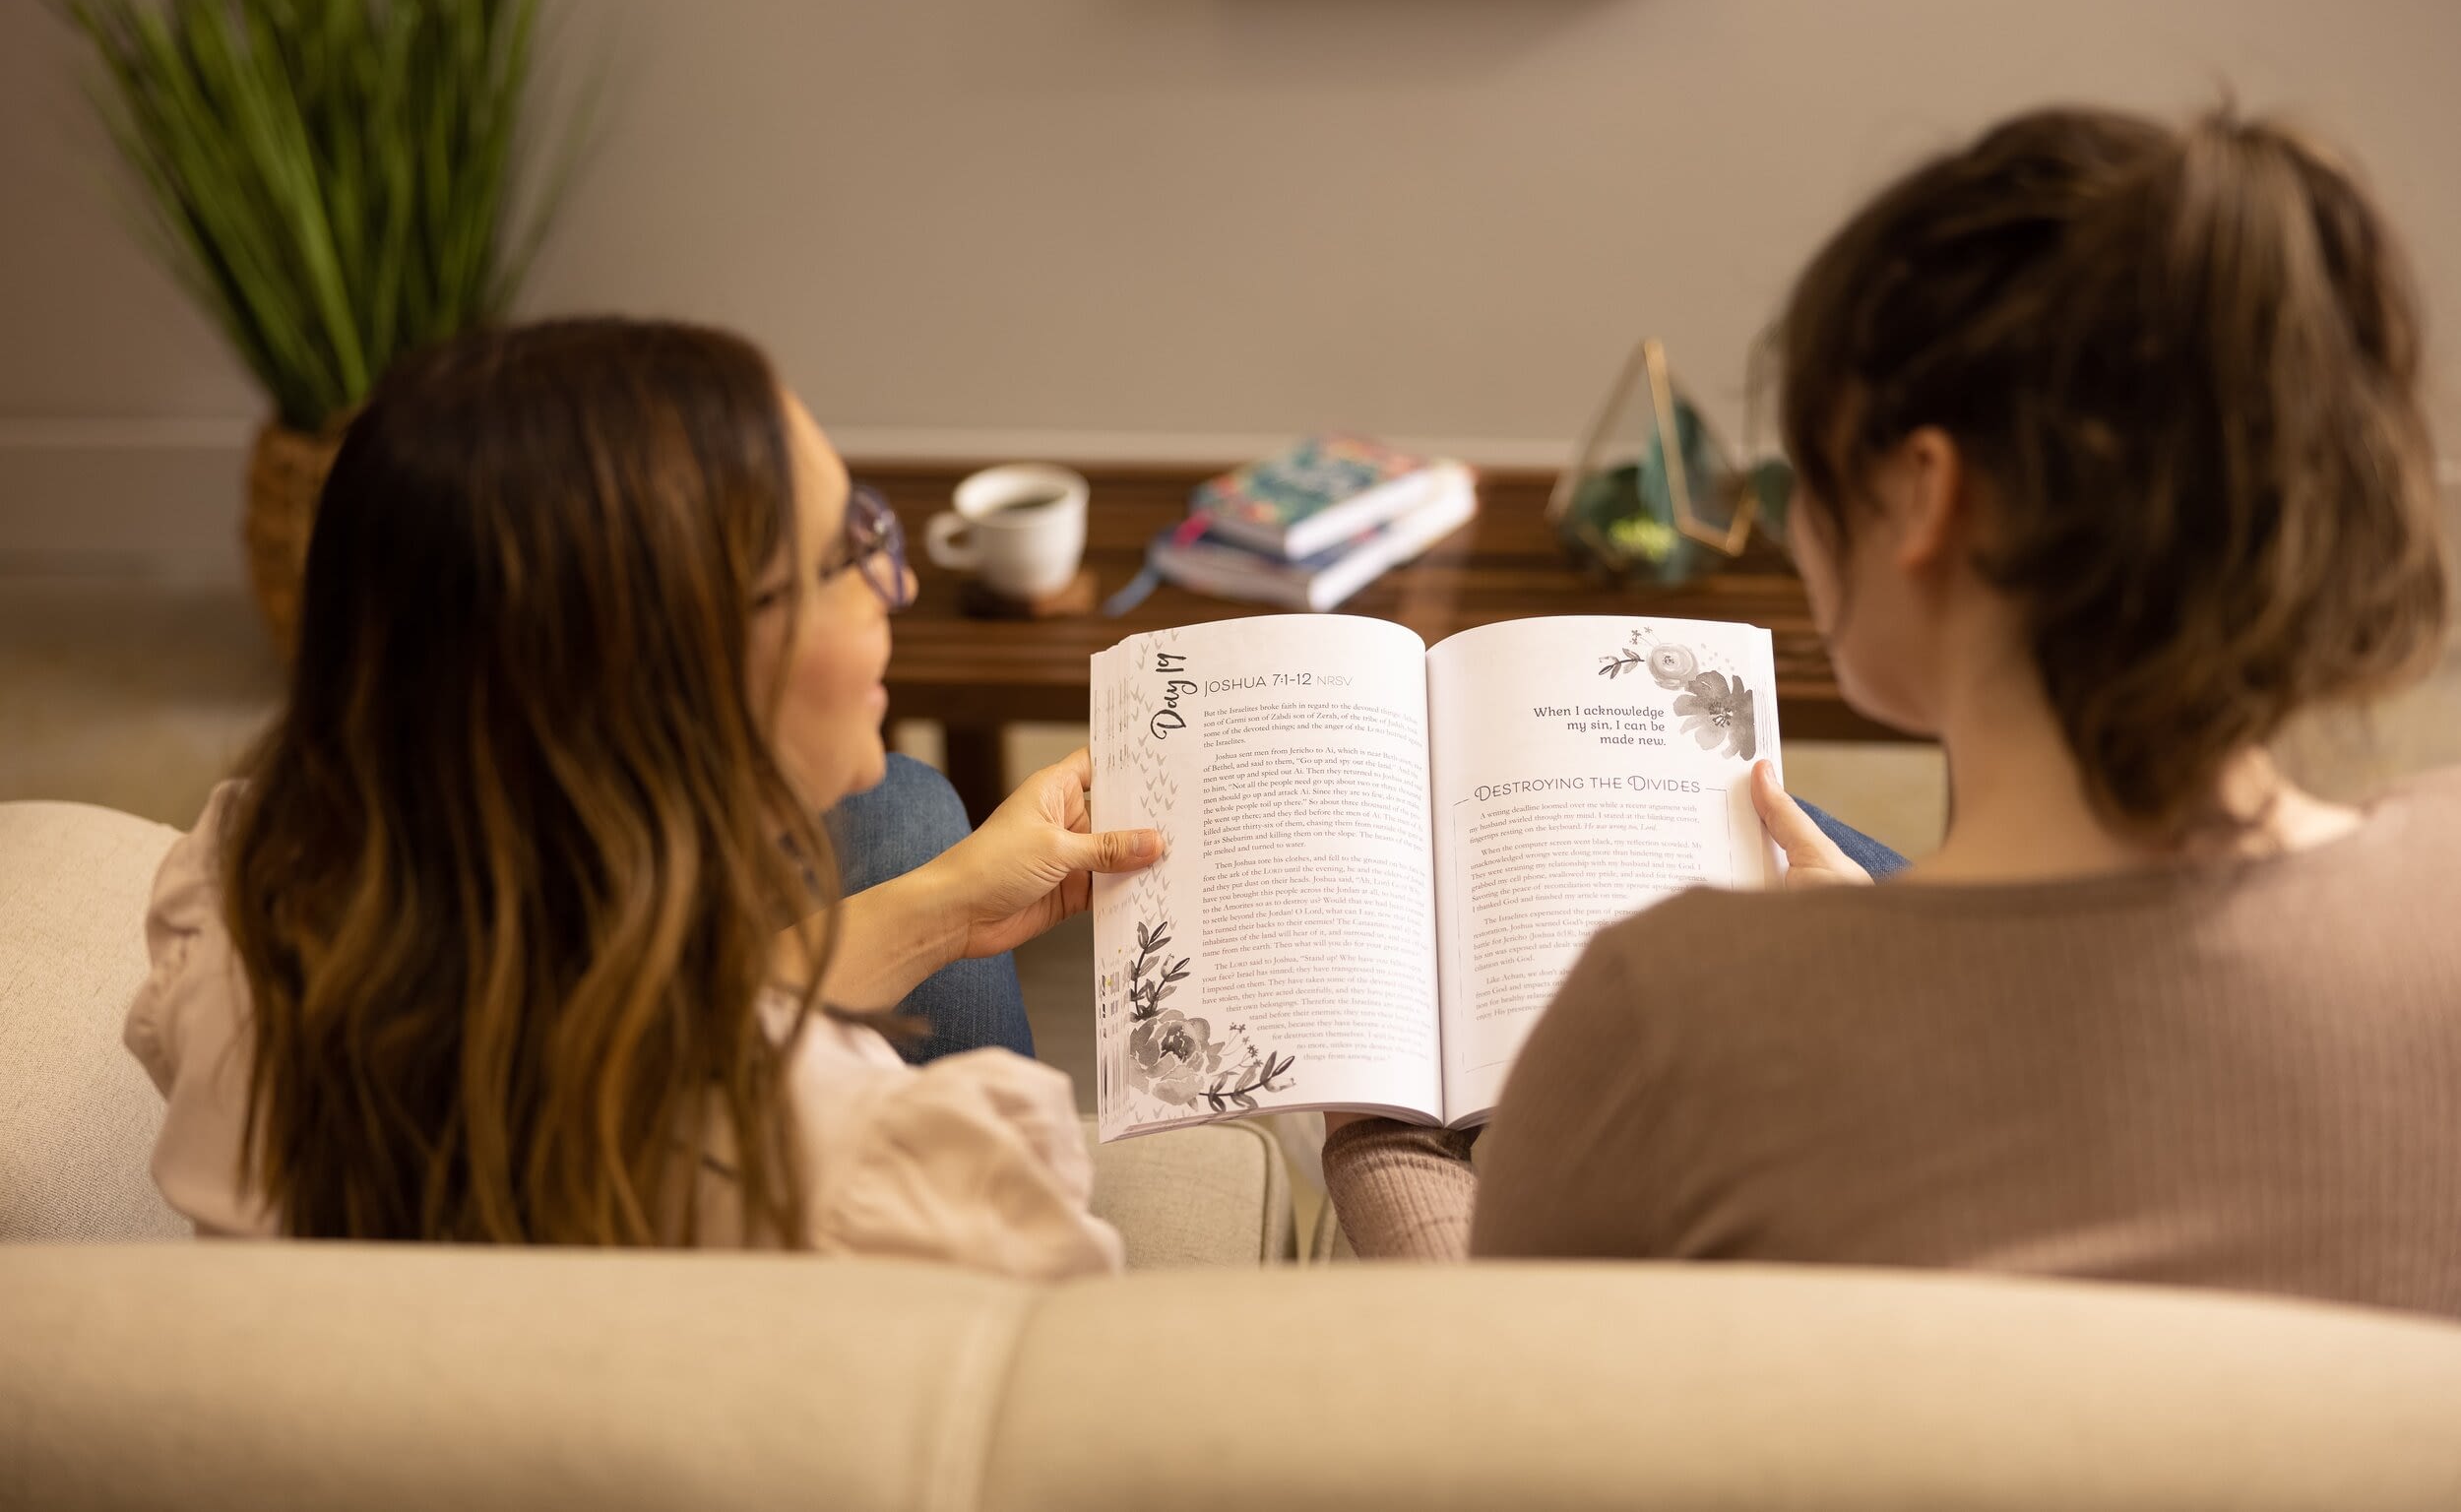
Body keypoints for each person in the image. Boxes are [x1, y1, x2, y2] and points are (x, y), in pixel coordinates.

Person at [1324, 103, 2461, 1320]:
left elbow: (1501, 1409)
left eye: (1799, 470)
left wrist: (1377, 1132)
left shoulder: (1670, 1013)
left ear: (1923, 494)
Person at [127, 319, 1162, 1274]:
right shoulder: (873, 1166)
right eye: (849, 556)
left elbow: (583, 1026)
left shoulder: (240, 902)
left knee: (900, 809)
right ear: (684, 673)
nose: (899, 587)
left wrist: (943, 904)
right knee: (905, 801)